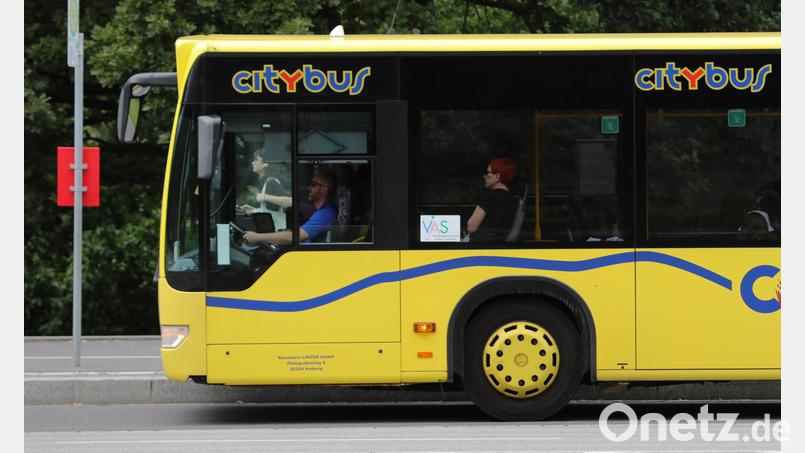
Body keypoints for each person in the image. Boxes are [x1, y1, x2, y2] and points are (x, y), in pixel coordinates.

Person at [243, 169, 337, 245]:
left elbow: (295, 237)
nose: (308, 188)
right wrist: (254, 210)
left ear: (324, 190)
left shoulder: (326, 213)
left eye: (313, 184)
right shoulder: (315, 210)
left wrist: (257, 237)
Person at [466, 157, 517, 243]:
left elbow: (471, 227)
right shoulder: (512, 198)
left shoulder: (489, 196)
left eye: (488, 173)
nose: (485, 176)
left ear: (497, 176)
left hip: (479, 245)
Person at [238, 150, 292, 215]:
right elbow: (269, 211)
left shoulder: (271, 182)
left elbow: (291, 202)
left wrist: (265, 197)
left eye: (256, 160)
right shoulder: (265, 182)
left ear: (265, 164)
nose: (253, 163)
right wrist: (253, 210)